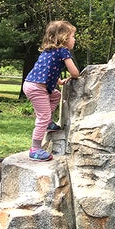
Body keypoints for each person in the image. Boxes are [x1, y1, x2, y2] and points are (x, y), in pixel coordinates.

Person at [23, 20, 80, 161]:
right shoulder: (63, 51)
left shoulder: (49, 51)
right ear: (64, 38)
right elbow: (75, 73)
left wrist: (59, 81)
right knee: (42, 117)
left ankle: (48, 122)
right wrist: (73, 76)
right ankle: (35, 149)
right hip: (37, 88)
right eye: (73, 36)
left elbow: (48, 70)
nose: (74, 39)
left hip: (33, 85)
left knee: (56, 95)